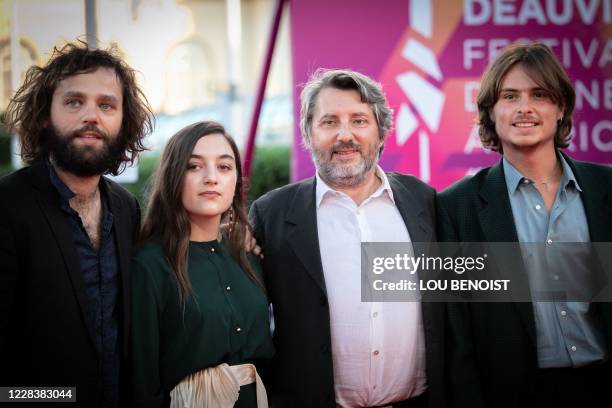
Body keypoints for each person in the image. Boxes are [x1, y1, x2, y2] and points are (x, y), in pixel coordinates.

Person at [250, 69, 444, 407]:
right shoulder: (271, 214)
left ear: (381, 133)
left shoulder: (423, 201)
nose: (345, 135)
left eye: (359, 120)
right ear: (308, 134)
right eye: (329, 122)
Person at [437, 42, 612, 408]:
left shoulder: (606, 189)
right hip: (512, 393)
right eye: (510, 96)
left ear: (560, 107)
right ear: (491, 112)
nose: (525, 108)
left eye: (540, 94)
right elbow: (459, 337)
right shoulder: (457, 207)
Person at [0, 41, 153, 407]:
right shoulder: (7, 205)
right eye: (74, 102)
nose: (92, 116)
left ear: (123, 120)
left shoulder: (126, 207)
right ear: (43, 116)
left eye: (106, 105)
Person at [130, 121, 274, 407]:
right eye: (194, 166)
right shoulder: (149, 265)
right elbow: (141, 381)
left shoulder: (250, 256)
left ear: (236, 180)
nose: (211, 178)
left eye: (224, 167)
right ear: (173, 176)